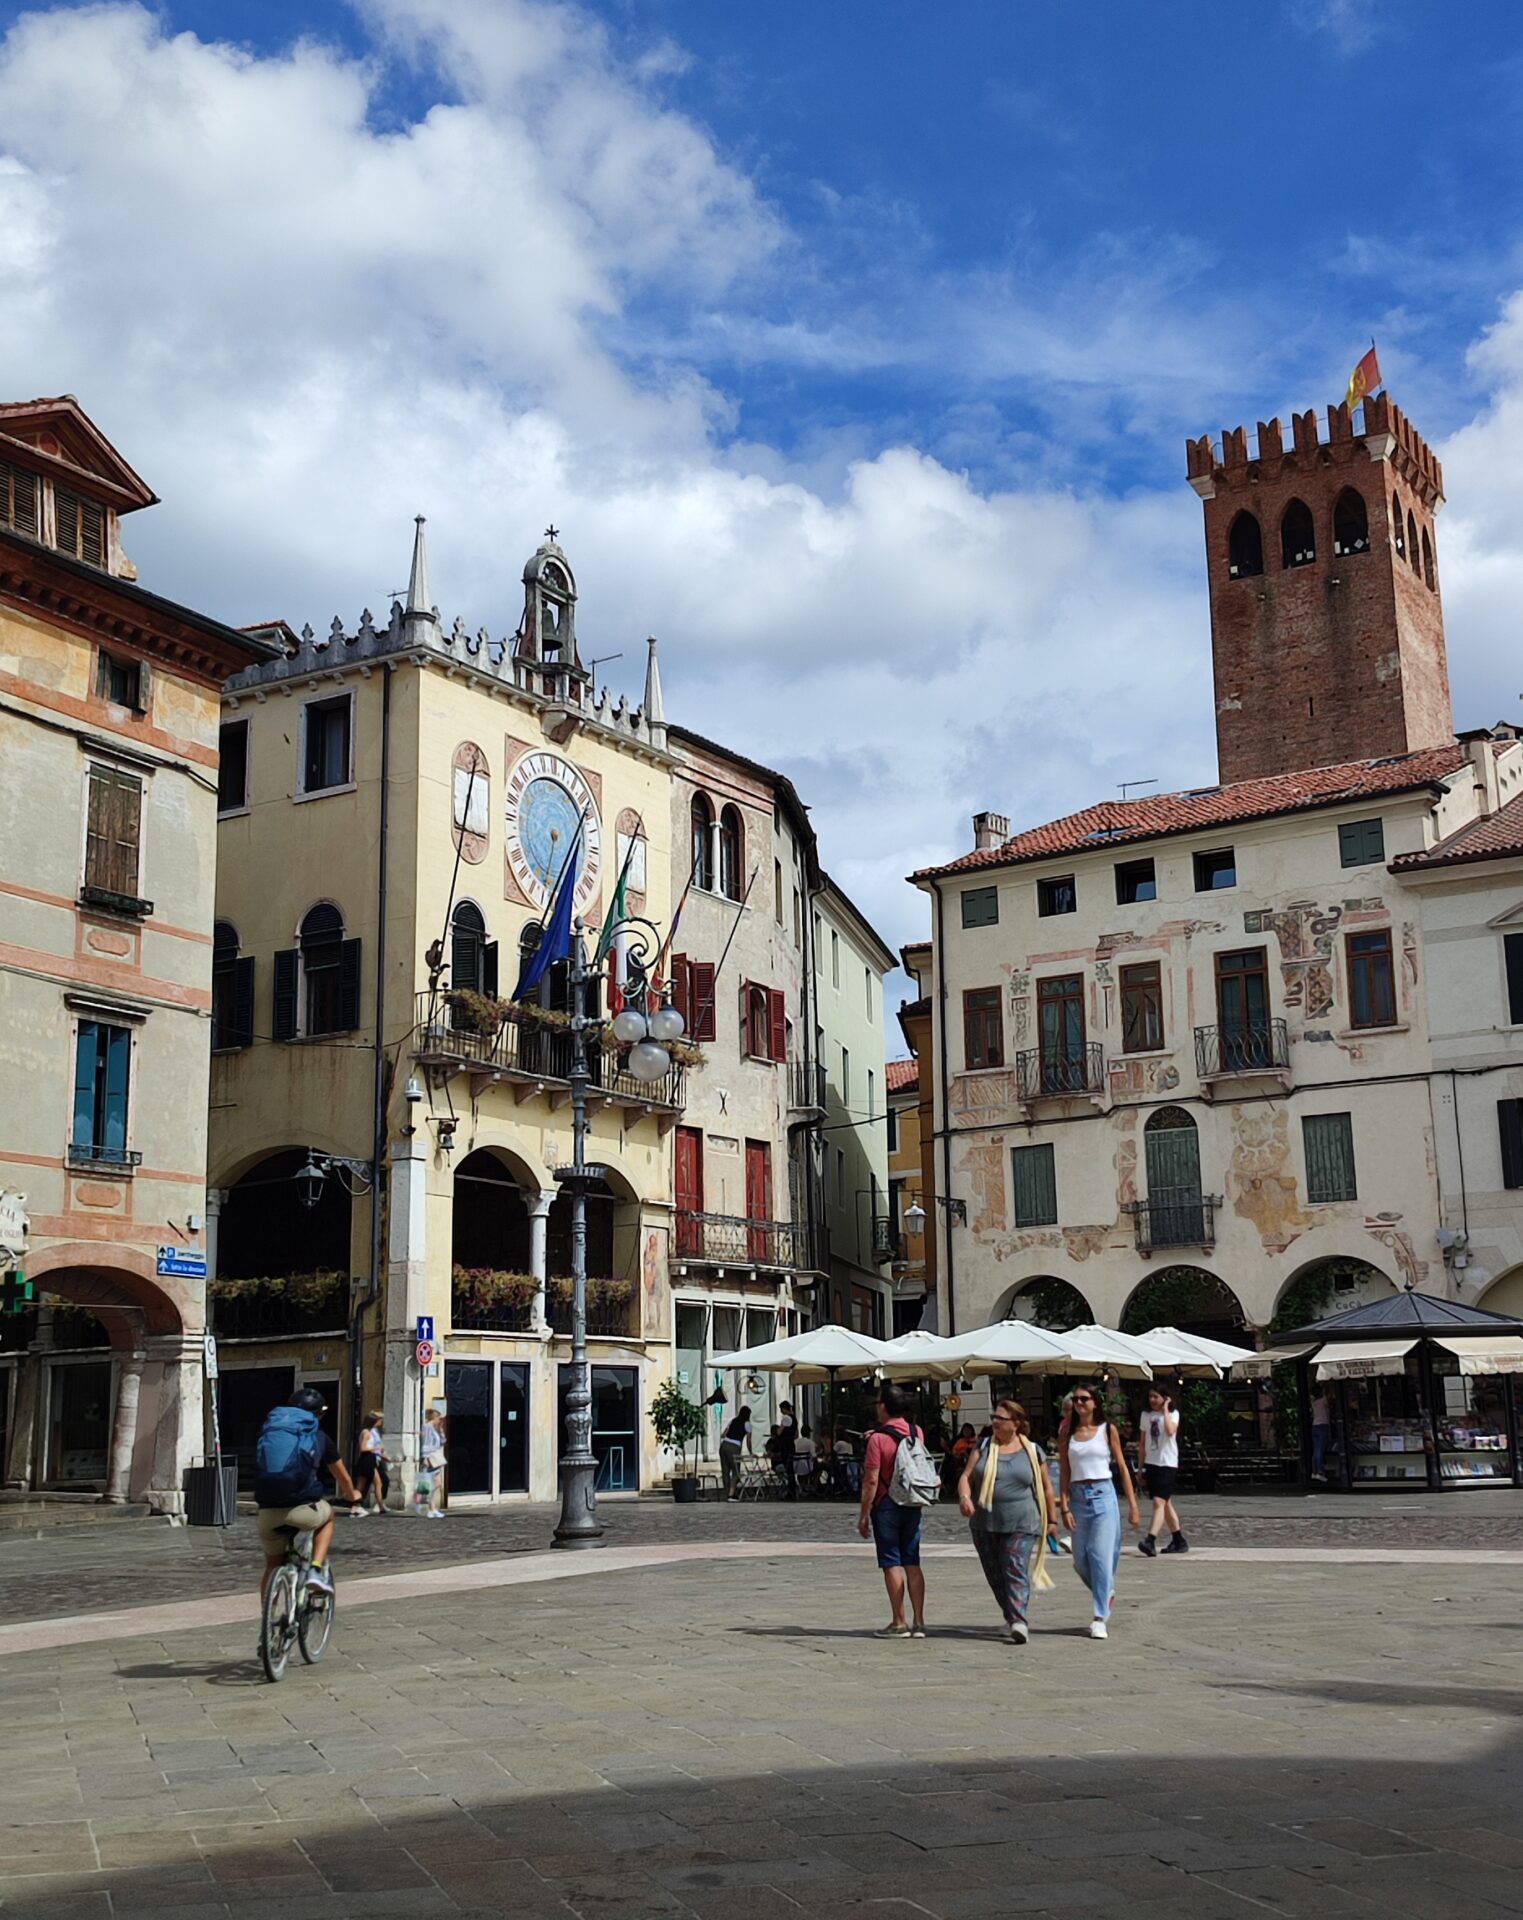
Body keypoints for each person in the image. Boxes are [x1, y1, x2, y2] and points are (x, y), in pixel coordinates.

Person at [958, 1398, 1053, 1644]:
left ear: (1017, 1423)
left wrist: (1052, 1520)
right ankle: (1011, 1617)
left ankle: (1019, 1620)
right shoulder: (984, 1446)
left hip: (1022, 1520)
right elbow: (967, 1476)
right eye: (994, 1418)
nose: (995, 1422)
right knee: (995, 1574)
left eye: (1001, 1419)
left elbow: (1046, 1488)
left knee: (1014, 1567)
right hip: (984, 1523)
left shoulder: (1032, 1451)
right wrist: (965, 1497)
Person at [255, 1386, 358, 1602]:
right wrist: (352, 1495)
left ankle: (268, 1623)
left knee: (272, 1564)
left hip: (267, 1512)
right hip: (303, 1509)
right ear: (318, 1414)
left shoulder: (272, 1431)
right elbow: (344, 1479)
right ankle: (316, 1570)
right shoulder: (319, 1437)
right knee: (328, 1516)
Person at [1059, 1384, 1140, 1640]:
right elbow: (1064, 1472)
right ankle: (1106, 1591)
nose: (1080, 1403)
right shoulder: (1067, 1434)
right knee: (1080, 1559)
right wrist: (1064, 1506)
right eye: (1076, 1399)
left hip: (1104, 1496)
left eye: (1085, 1399)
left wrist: (1133, 1505)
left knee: (1100, 1555)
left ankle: (1098, 1617)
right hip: (1078, 1498)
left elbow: (1123, 1468)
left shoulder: (1107, 1430)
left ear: (1095, 1403)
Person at [857, 1382, 930, 1639]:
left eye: (878, 1403)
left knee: (891, 1562)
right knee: (912, 1561)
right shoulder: (916, 1431)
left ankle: (899, 1621)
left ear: (884, 1407)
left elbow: (872, 1480)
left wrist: (864, 1513)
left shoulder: (877, 1440)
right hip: (912, 1500)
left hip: (887, 1504)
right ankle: (919, 1621)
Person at [1137, 1386, 1186, 1556]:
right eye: (1150, 1396)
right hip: (1152, 1463)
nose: (1152, 1400)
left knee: (1159, 1502)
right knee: (1166, 1503)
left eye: (1156, 1397)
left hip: (1167, 1463)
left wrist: (1166, 1410)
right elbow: (1142, 1443)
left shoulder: (1174, 1414)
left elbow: (1171, 1431)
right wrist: (1141, 1467)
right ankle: (1178, 1539)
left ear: (1165, 1398)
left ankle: (1150, 1540)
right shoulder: (1145, 1415)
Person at [352, 1411, 391, 1517]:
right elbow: (363, 1448)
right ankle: (379, 1507)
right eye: (379, 1420)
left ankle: (356, 1506)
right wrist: (376, 1448)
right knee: (375, 1484)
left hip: (369, 1459)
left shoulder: (369, 1431)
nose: (381, 1422)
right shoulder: (367, 1433)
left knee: (364, 1484)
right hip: (367, 1459)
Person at [415, 1407, 447, 1516]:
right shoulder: (427, 1427)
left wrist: (441, 1430)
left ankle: (431, 1508)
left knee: (437, 1484)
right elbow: (426, 1443)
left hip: (435, 1459)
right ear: (434, 1417)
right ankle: (422, 1504)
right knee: (425, 1484)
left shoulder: (435, 1429)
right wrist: (425, 1457)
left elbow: (443, 1442)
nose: (440, 1420)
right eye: (439, 1418)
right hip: (429, 1459)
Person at [719, 1404, 753, 1500]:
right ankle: (731, 1494)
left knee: (725, 1471)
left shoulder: (733, 1420)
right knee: (735, 1471)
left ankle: (727, 1493)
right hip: (734, 1447)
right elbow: (749, 1441)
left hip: (724, 1445)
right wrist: (750, 1452)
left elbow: (724, 1434)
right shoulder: (748, 1424)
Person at [777, 1399, 799, 1500]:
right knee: (791, 1469)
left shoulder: (786, 1418)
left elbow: (779, 1432)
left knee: (787, 1468)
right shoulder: (794, 1419)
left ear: (784, 1409)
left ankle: (790, 1491)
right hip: (791, 1445)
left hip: (785, 1445)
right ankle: (792, 1490)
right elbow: (796, 1434)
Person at [1310, 1384, 1333, 1482]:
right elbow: (1330, 1393)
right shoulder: (1323, 1400)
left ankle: (1314, 1471)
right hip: (1322, 1425)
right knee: (1320, 1449)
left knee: (1316, 1450)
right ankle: (1320, 1471)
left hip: (1314, 1425)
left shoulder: (1313, 1402)